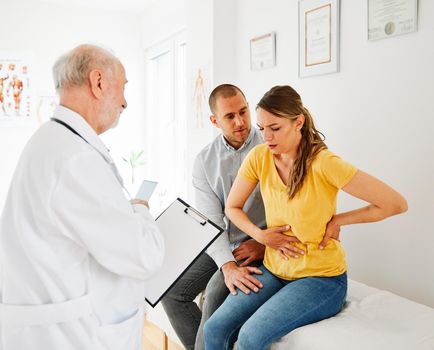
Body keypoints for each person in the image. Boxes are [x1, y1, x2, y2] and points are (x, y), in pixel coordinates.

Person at [204, 85, 408, 350]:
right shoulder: (260, 156)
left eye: (275, 128)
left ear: (298, 122)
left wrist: (339, 220)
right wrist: (261, 235)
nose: (266, 136)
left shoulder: (324, 163)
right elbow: (232, 207)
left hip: (321, 278)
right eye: (262, 128)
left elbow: (394, 203)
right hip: (276, 269)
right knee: (215, 328)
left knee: (250, 337)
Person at [0, 44, 165, 350]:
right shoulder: (75, 159)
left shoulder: (52, 142)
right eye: (123, 88)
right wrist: (140, 210)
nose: (125, 102)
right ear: (98, 82)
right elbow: (144, 255)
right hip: (73, 336)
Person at [162, 84, 305, 350]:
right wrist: (227, 265)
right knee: (172, 294)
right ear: (215, 120)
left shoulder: (272, 143)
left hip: (265, 242)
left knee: (216, 291)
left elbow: (297, 206)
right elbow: (212, 221)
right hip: (227, 240)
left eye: (244, 111)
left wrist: (264, 244)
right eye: (230, 116)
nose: (240, 122)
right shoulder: (204, 161)